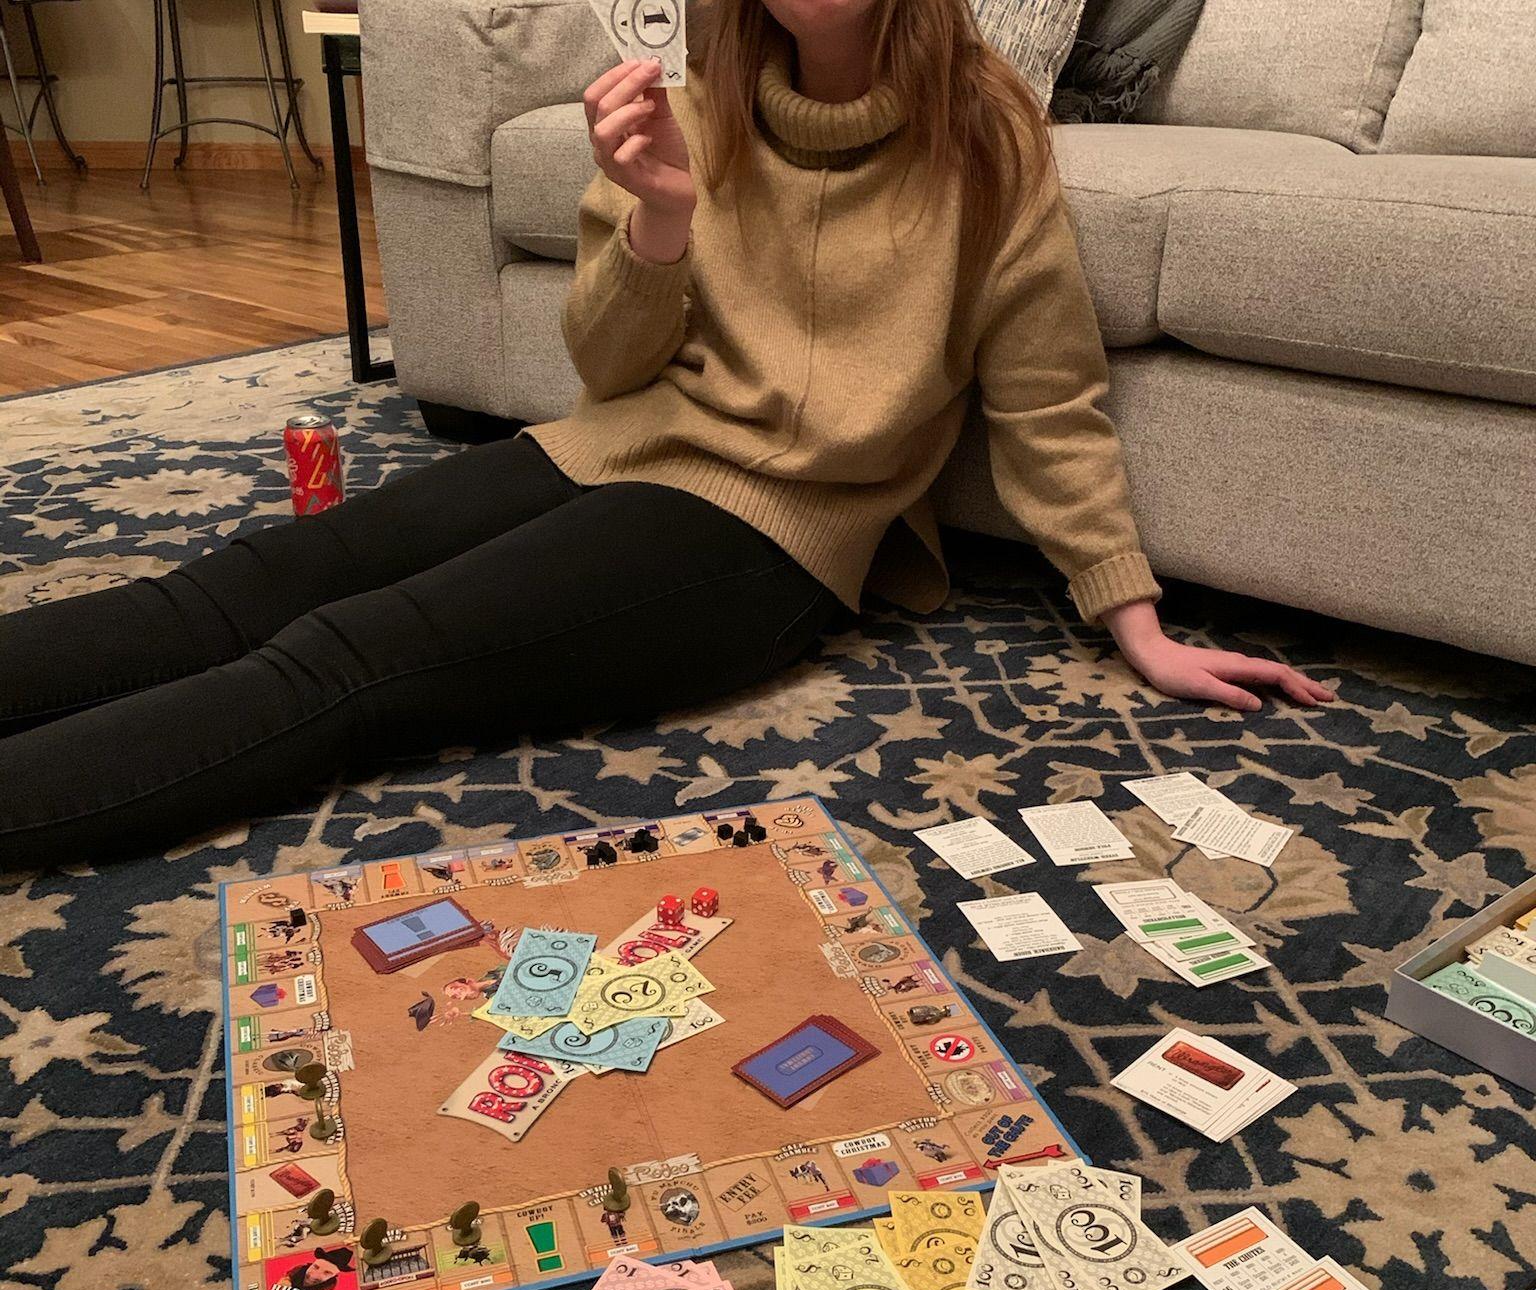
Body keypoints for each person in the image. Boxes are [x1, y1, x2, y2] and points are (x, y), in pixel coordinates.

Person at [0, 0, 1331, 873]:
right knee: (257, 578)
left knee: (351, 659)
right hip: (614, 444)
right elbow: (608, 366)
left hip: (769, 533)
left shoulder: (987, 139)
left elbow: (1046, 397)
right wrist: (660, 221)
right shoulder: (692, 103)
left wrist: (1130, 614)